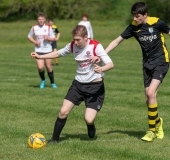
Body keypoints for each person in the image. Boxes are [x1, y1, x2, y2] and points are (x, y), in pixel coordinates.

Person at [31, 25, 114, 143]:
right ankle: (54, 139)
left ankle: (90, 125)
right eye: (74, 39)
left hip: (95, 87)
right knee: (63, 111)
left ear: (86, 37)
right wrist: (40, 56)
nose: (75, 42)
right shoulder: (72, 45)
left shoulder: (96, 46)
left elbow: (110, 64)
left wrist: (102, 69)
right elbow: (58, 53)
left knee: (89, 119)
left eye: (78, 39)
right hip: (78, 84)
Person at [105, 2, 170, 142]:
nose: (135, 18)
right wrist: (103, 54)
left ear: (145, 15)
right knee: (149, 100)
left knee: (150, 93)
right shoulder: (133, 27)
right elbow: (117, 41)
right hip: (147, 65)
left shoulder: (157, 22)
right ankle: (158, 123)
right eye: (133, 16)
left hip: (161, 62)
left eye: (137, 16)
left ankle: (151, 131)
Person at [28, 12, 58, 89]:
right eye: (39, 19)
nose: (40, 20)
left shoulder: (48, 27)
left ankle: (52, 83)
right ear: (37, 20)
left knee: (48, 67)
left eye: (42, 19)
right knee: (40, 67)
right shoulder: (34, 27)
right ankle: (43, 80)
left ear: (44, 19)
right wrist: (35, 42)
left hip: (48, 50)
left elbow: (54, 38)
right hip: (38, 50)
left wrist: (47, 38)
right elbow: (29, 37)